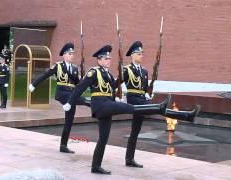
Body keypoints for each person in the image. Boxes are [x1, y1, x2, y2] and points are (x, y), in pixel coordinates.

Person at [62, 45, 171, 174]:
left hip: (106, 105)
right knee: (129, 107)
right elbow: (79, 87)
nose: (109, 60)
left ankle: (95, 166)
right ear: (100, 60)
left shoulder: (107, 74)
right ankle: (158, 108)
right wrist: (69, 102)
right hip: (100, 105)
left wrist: (120, 84)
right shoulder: (94, 72)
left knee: (103, 139)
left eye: (109, 58)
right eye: (106, 58)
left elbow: (113, 87)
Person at [123, 41, 201, 168]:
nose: (141, 55)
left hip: (143, 100)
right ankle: (186, 116)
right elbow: (115, 84)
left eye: (142, 53)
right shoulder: (126, 70)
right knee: (159, 109)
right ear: (132, 55)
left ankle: (129, 159)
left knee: (135, 132)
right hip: (134, 101)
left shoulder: (144, 71)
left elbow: (145, 88)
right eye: (139, 53)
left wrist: (148, 92)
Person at [28, 42, 90, 154]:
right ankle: (90, 103)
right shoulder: (58, 66)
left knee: (69, 121)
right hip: (62, 93)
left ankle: (63, 145)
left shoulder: (75, 68)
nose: (72, 55)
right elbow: (45, 75)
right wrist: (34, 85)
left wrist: (84, 78)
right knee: (84, 100)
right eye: (70, 53)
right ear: (64, 55)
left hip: (71, 95)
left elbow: (78, 84)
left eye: (73, 53)